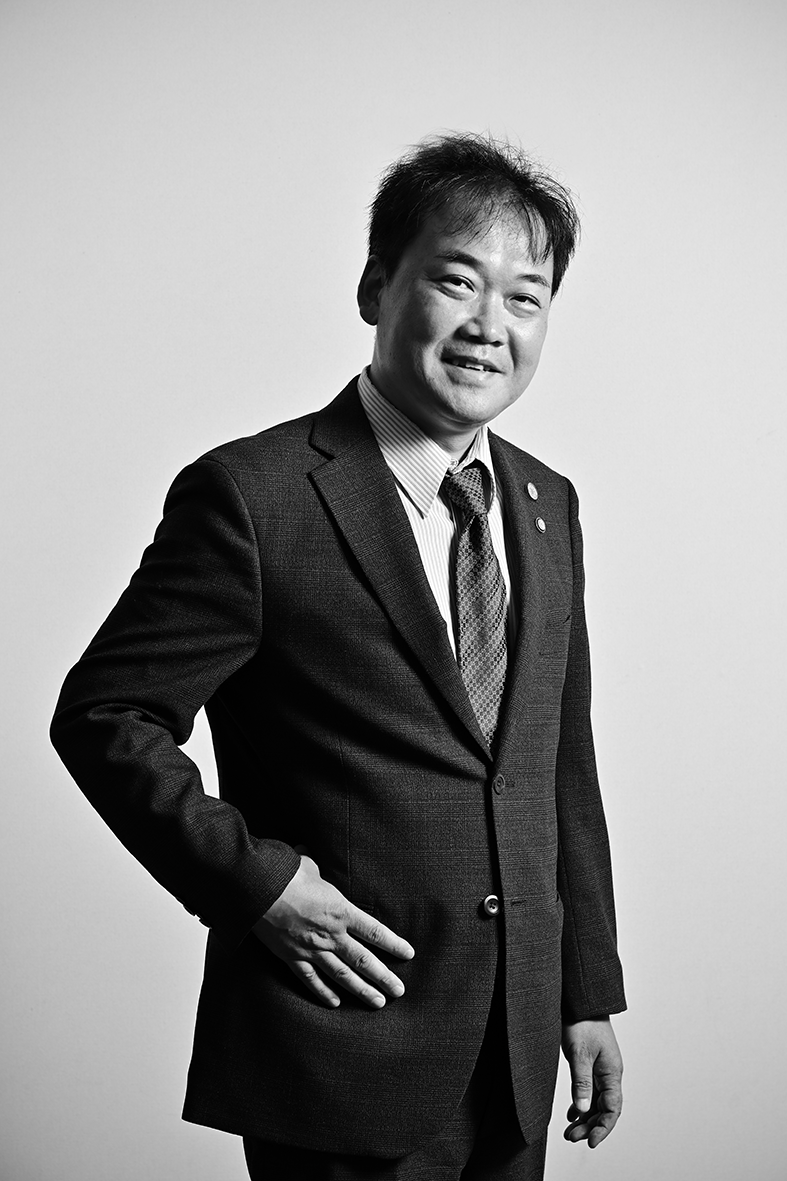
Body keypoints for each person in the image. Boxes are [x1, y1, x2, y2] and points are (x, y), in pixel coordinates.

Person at [51, 132, 626, 1180]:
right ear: (375, 287)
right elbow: (106, 715)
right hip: (338, 1042)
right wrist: (260, 888)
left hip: (514, 1051)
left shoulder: (547, 503)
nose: (489, 325)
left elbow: (557, 764)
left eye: (525, 297)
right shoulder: (255, 495)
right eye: (456, 280)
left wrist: (585, 988)